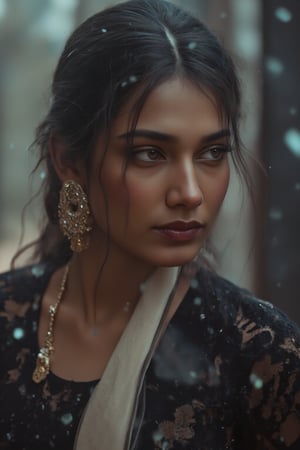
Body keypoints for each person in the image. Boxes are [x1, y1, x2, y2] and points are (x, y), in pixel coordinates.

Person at [0, 0, 299, 448]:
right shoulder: (7, 316)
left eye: (212, 153)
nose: (190, 192)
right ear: (69, 160)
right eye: (150, 154)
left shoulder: (260, 355)